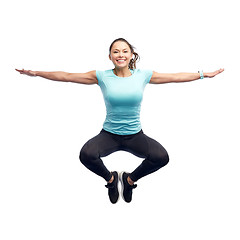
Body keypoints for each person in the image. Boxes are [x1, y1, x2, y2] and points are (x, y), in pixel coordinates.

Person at [16, 38, 224, 204]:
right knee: (86, 155)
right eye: (116, 51)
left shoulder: (143, 75)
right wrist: (36, 73)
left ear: (131, 55)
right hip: (109, 135)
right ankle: (112, 180)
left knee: (162, 157)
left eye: (125, 51)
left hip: (135, 135)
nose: (121, 54)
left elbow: (175, 77)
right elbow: (67, 75)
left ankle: (129, 180)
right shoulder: (101, 76)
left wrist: (203, 74)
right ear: (110, 56)